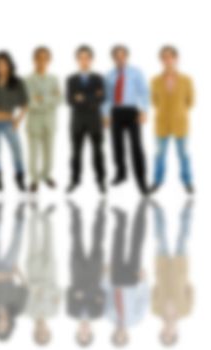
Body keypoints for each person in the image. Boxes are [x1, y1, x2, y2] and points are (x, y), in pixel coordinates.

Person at [103, 45, 150, 195]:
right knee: (117, 145)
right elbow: (106, 97)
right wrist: (105, 115)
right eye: (117, 56)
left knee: (136, 146)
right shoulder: (109, 75)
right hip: (116, 112)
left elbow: (144, 92)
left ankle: (142, 181)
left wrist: (143, 110)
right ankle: (121, 174)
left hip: (132, 111)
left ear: (127, 56)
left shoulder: (136, 72)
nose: (120, 59)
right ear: (113, 58)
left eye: (122, 55)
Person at [104, 201, 149, 348]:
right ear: (127, 336)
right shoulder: (136, 318)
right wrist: (143, 281)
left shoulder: (108, 316)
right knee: (137, 244)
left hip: (116, 279)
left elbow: (106, 294)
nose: (120, 334)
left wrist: (105, 276)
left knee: (117, 246)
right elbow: (144, 299)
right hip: (132, 281)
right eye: (123, 338)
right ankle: (141, 210)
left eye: (117, 337)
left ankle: (121, 218)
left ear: (113, 334)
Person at [149, 45, 194, 195]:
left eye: (170, 56)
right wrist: (165, 111)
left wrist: (178, 112)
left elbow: (191, 101)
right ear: (161, 60)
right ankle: (157, 181)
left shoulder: (186, 79)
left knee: (183, 154)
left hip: (180, 123)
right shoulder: (155, 80)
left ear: (175, 58)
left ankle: (187, 181)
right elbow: (154, 101)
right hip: (162, 122)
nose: (167, 60)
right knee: (160, 154)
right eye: (164, 57)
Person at [0, 51, 28, 192]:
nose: (1, 67)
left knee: (17, 149)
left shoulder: (18, 82)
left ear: (9, 65)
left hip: (9, 122)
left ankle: (19, 176)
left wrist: (18, 120)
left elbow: (25, 103)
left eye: (4, 64)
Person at [65, 45, 108, 194]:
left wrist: (82, 97)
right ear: (77, 60)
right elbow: (69, 100)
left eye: (87, 57)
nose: (84, 60)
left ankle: (101, 180)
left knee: (98, 152)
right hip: (77, 120)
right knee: (75, 152)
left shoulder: (99, 78)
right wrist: (92, 96)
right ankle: (74, 180)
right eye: (81, 57)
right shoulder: (71, 79)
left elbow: (102, 98)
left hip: (95, 120)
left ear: (91, 60)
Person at [0, 202, 28, 341]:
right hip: (10, 270)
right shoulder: (18, 309)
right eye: (5, 328)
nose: (2, 324)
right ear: (10, 327)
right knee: (17, 242)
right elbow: (25, 289)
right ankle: (19, 215)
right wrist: (18, 273)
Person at [151, 199, 192, 347]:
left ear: (161, 331)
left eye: (164, 335)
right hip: (180, 267)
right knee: (183, 238)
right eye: (171, 336)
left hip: (162, 267)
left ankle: (157, 210)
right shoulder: (186, 311)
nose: (168, 332)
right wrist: (182, 278)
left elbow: (154, 290)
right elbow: (191, 290)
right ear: (176, 333)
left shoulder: (155, 310)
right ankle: (187, 210)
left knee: (160, 237)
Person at [66, 200, 106, 347]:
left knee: (76, 239)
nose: (84, 332)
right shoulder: (98, 313)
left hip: (77, 271)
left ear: (77, 332)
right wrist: (84, 293)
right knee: (98, 240)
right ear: (91, 332)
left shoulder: (71, 312)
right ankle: (101, 211)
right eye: (86, 335)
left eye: (81, 335)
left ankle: (75, 212)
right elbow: (102, 292)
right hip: (95, 271)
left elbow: (69, 291)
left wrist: (88, 294)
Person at [24, 46, 61, 192]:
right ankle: (34, 179)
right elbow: (29, 102)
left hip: (50, 121)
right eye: (39, 58)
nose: (42, 61)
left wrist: (41, 98)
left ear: (49, 60)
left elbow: (60, 100)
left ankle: (46, 175)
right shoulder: (27, 80)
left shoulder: (54, 78)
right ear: (34, 60)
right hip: (34, 121)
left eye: (45, 58)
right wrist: (49, 99)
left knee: (49, 152)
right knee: (33, 152)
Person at [25, 203, 59, 346]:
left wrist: (40, 290)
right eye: (45, 334)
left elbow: (27, 291)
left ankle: (34, 213)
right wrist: (42, 290)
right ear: (49, 331)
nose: (42, 331)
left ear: (34, 332)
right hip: (50, 274)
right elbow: (58, 292)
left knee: (33, 241)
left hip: (33, 272)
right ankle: (45, 217)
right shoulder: (54, 312)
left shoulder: (27, 312)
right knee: (49, 242)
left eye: (39, 334)